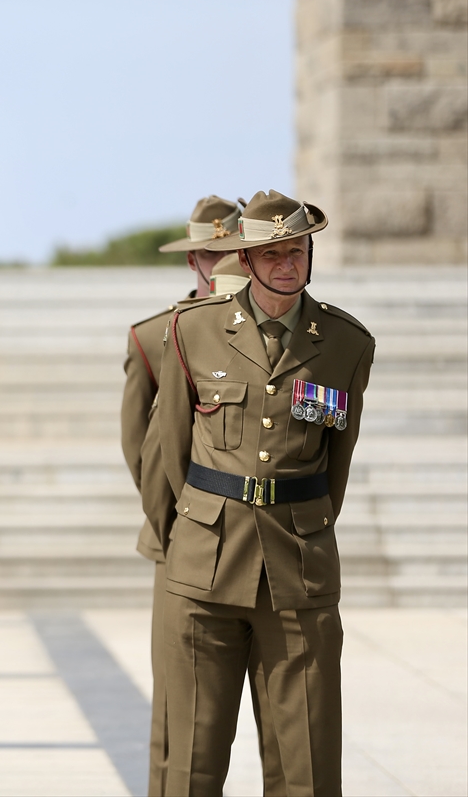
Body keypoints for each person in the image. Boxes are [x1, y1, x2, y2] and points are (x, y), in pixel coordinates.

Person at [155, 189, 374, 794]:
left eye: (297, 249)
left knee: (305, 759)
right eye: (271, 252)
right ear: (244, 261)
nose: (286, 263)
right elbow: (167, 453)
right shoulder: (191, 331)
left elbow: (339, 460)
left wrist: (304, 528)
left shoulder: (348, 344)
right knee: (191, 763)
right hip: (206, 565)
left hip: (297, 569)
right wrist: (188, 536)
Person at [123, 197, 282, 795]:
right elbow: (145, 448)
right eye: (212, 255)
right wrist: (184, 527)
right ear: (195, 259)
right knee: (180, 724)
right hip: (185, 539)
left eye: (231, 252)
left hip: (263, 542)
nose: (222, 265)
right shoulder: (158, 335)